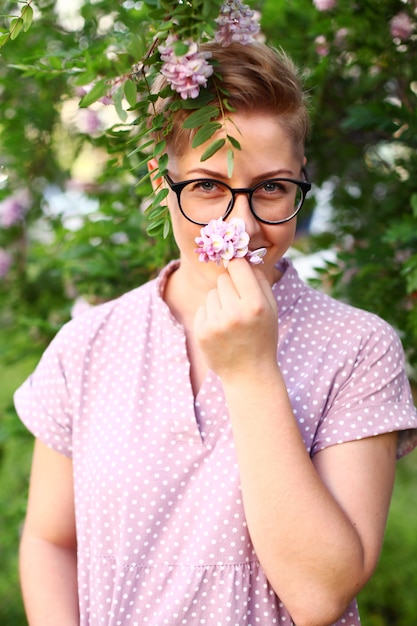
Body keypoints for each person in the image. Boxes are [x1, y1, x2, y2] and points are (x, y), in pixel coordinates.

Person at [14, 39, 417, 626]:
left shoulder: (357, 349)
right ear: (162, 182)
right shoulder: (87, 346)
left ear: (301, 183)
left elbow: (321, 596)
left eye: (272, 188)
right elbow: (51, 540)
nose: (241, 223)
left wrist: (252, 371)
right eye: (206, 186)